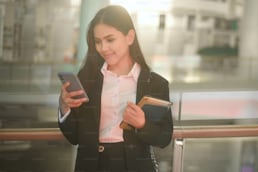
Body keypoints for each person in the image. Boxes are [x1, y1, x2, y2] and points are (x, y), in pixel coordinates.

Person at [58, 5, 173, 172]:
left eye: (110, 39)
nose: (103, 48)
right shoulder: (87, 79)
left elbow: (164, 137)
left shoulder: (155, 83)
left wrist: (142, 124)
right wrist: (65, 106)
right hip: (91, 165)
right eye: (98, 41)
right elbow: (74, 136)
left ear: (130, 37)